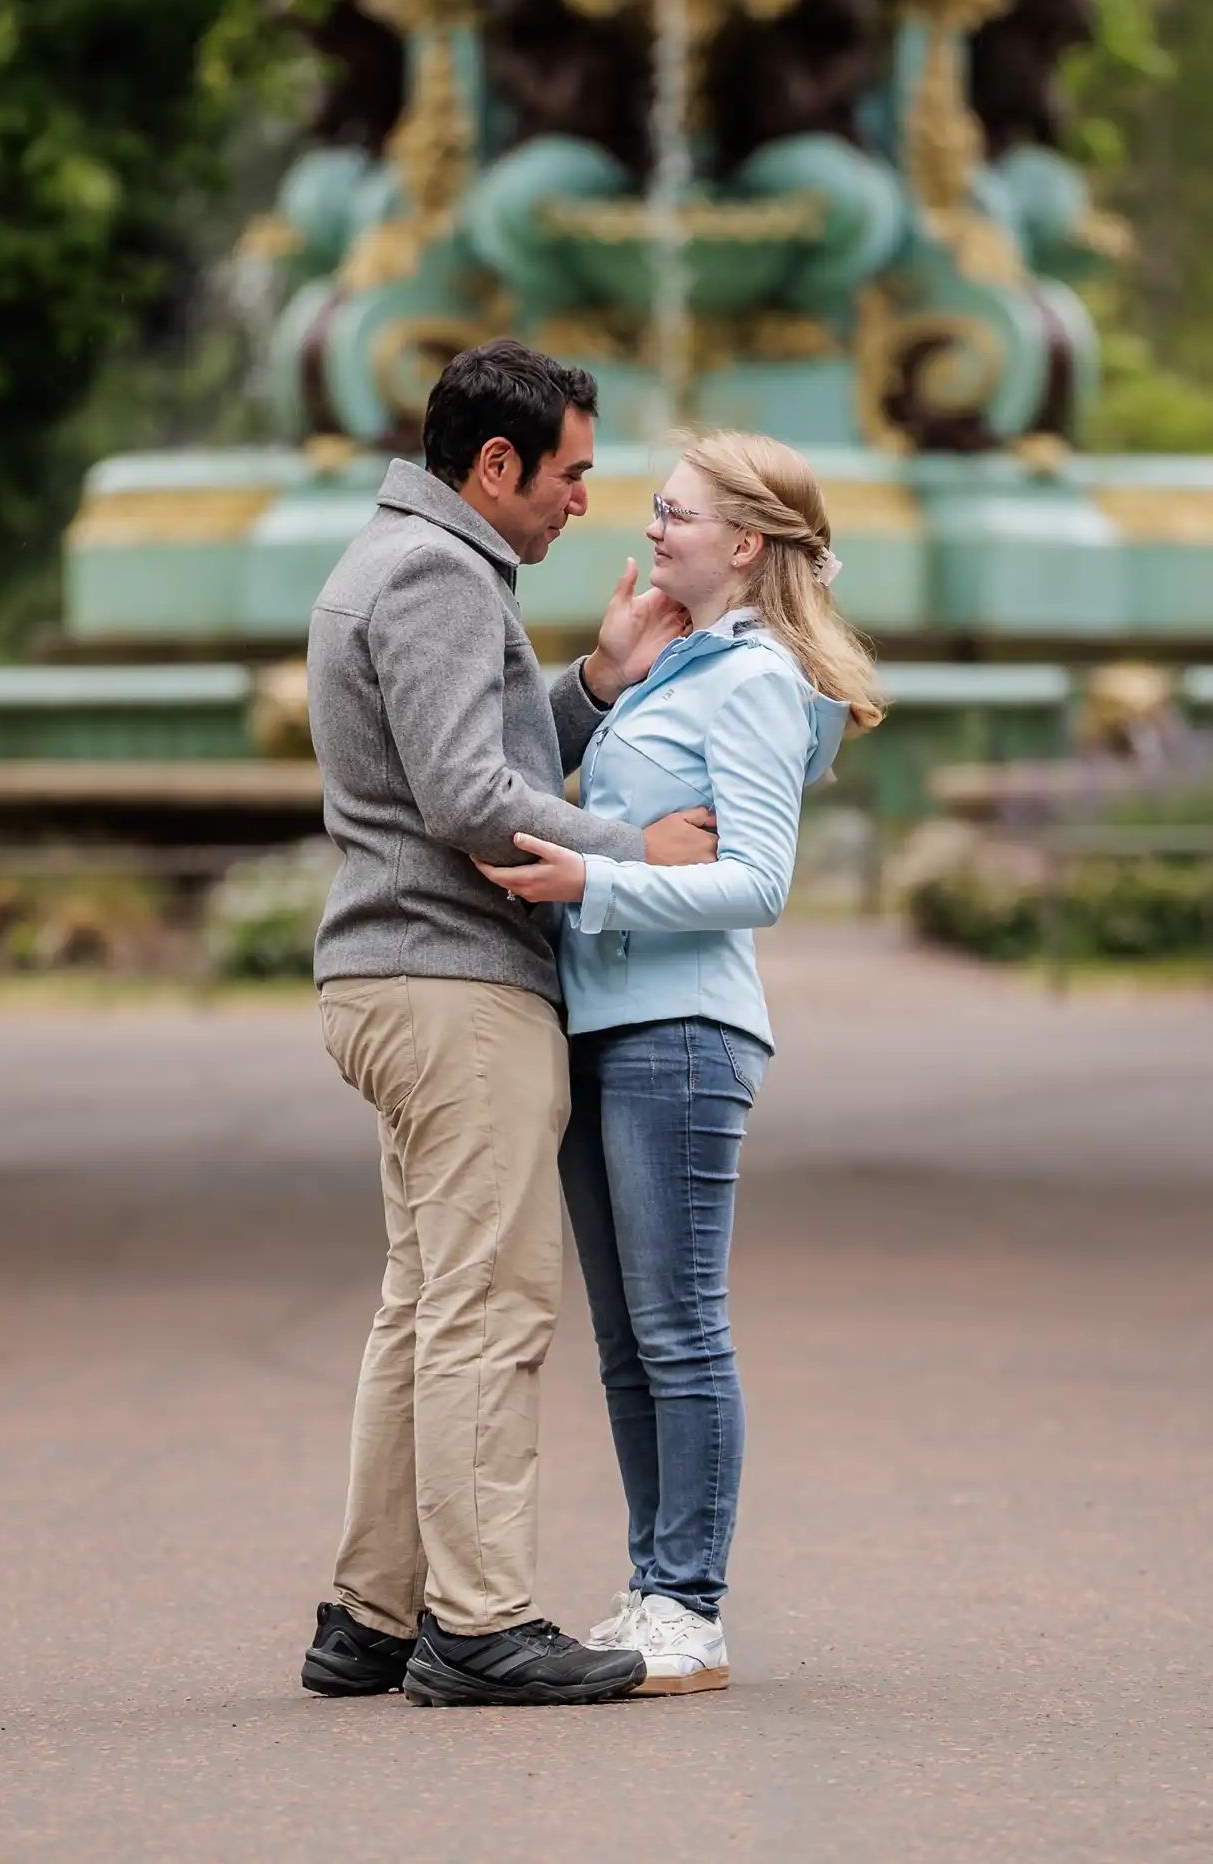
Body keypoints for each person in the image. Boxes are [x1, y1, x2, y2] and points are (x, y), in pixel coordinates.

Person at [300, 339, 718, 1708]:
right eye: (571, 475)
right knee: (488, 1308)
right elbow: (469, 800)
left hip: (397, 980)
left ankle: (371, 1614)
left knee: (422, 1305)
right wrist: (635, 854)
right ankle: (477, 1624)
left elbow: (470, 754)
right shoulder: (432, 571)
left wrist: (589, 688)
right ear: (495, 466)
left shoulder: (404, 558)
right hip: (452, 987)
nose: (582, 503)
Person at [475, 431, 884, 1696]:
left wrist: (593, 876)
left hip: (682, 1034)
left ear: (745, 543)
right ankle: (652, 1588)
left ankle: (689, 1606)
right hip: (603, 1023)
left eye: (673, 514)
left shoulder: (756, 678)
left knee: (678, 1329)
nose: (648, 529)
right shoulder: (676, 667)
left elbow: (755, 882)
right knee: (625, 1341)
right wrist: (608, 671)